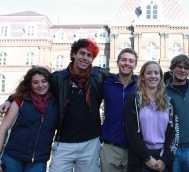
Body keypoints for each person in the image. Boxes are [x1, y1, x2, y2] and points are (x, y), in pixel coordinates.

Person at [0, 39, 110, 172]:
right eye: (82, 53)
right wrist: (11, 99)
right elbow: (34, 86)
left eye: (89, 55)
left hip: (90, 142)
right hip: (63, 143)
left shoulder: (98, 75)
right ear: (74, 54)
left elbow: (122, 79)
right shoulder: (58, 78)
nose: (85, 58)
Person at [0, 66, 58, 172]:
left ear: (49, 83)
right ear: (30, 84)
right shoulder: (20, 101)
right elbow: (2, 129)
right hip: (13, 158)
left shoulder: (56, 104)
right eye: (35, 82)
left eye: (43, 81)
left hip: (38, 160)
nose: (40, 85)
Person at [124, 61, 179, 172]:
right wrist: (146, 158)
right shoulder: (134, 100)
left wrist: (165, 160)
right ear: (143, 77)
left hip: (163, 158)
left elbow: (174, 132)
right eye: (149, 73)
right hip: (140, 158)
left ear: (160, 77)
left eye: (156, 73)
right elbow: (131, 132)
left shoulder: (169, 102)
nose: (153, 76)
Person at [100, 48, 138, 172]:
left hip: (134, 147)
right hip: (110, 146)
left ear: (135, 65)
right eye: (124, 60)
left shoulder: (141, 85)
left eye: (131, 61)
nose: (127, 63)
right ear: (117, 62)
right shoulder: (106, 83)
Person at [164, 54, 189, 172]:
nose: (182, 70)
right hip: (172, 149)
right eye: (179, 67)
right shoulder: (163, 92)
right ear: (172, 69)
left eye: (186, 68)